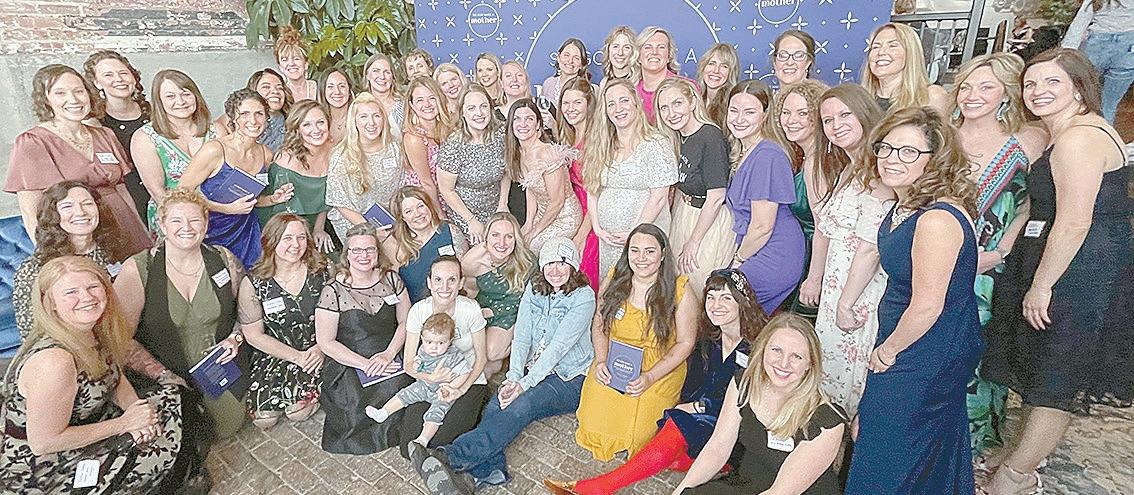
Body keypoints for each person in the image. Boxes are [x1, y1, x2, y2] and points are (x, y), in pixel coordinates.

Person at [981, 48, 1131, 495]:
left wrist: (1042, 285)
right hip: (1060, 262)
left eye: (1052, 82)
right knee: (1041, 369)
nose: (1038, 91)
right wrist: (1005, 249)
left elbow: (1074, 221)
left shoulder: (1078, 138)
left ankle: (1016, 477)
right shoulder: (1060, 133)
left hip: (1079, 274)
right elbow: (1039, 204)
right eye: (1030, 83)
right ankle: (1018, 454)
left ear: (1080, 88)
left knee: (1056, 378)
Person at [845, 106, 982, 494]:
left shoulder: (936, 218)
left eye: (908, 151)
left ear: (934, 159)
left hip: (926, 346)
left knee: (887, 449)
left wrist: (888, 351)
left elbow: (927, 305)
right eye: (886, 148)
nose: (891, 159)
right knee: (910, 446)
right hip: (911, 337)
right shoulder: (906, 204)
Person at [547, 268, 768, 495]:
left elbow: (751, 402)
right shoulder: (713, 337)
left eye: (726, 298)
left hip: (736, 426)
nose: (716, 305)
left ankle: (597, 488)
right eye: (711, 297)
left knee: (675, 431)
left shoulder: (757, 347)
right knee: (666, 453)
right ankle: (714, 465)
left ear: (742, 301)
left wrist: (697, 407)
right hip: (705, 414)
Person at [425, 237, 596, 491]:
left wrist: (524, 385)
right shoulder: (535, 289)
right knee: (499, 402)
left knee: (523, 404)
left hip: (569, 377)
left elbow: (558, 348)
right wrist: (514, 377)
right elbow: (522, 336)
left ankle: (451, 456)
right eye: (549, 264)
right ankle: (488, 471)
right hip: (533, 368)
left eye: (562, 263)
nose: (555, 270)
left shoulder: (583, 297)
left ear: (573, 266)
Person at [0, 256, 180, 492]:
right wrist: (124, 424)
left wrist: (136, 410)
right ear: (50, 302)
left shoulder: (92, 328)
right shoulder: (55, 362)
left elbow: (113, 377)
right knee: (154, 452)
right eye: (71, 292)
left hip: (93, 419)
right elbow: (43, 443)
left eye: (93, 286)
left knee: (169, 404)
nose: (86, 297)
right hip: (48, 466)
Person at [114, 190, 247, 491]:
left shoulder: (223, 259)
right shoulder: (139, 268)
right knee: (183, 439)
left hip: (217, 369)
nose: (186, 227)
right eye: (176, 220)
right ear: (162, 224)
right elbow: (120, 339)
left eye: (194, 220)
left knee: (228, 426)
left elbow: (246, 313)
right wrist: (161, 374)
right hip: (164, 373)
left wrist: (235, 337)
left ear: (206, 223)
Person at [949, 53, 1046, 455]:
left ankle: (970, 447)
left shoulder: (1026, 142)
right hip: (936, 261)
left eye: (986, 87)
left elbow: (1027, 206)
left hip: (987, 270)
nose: (972, 95)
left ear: (1006, 94)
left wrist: (1002, 250)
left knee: (977, 353)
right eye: (967, 86)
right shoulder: (942, 136)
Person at [672, 314, 847, 494]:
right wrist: (681, 490)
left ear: (810, 364)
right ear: (763, 349)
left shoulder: (827, 422)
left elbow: (781, 492)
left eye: (796, 356)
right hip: (748, 484)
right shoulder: (744, 384)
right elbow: (717, 448)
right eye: (776, 350)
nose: (784, 363)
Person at [798, 84, 889, 416]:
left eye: (845, 115)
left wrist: (846, 303)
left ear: (864, 113)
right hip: (838, 289)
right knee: (831, 379)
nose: (836, 126)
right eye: (828, 120)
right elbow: (827, 229)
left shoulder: (880, 168)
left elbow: (871, 247)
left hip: (860, 293)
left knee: (853, 383)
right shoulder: (850, 167)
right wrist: (818, 280)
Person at [575, 224, 698, 461]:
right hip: (615, 359)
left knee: (639, 434)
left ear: (663, 254)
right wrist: (601, 361)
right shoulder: (615, 278)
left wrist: (650, 377)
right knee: (593, 424)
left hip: (659, 367)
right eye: (635, 250)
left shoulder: (680, 291)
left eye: (650, 251)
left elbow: (685, 342)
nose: (641, 258)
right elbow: (599, 322)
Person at [5, 64, 151, 261]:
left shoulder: (105, 135)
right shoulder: (33, 142)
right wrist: (49, 256)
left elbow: (123, 191)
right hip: (77, 235)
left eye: (79, 91)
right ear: (46, 100)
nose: (73, 99)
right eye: (60, 93)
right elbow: (30, 210)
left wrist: (143, 234)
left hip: (125, 230)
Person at [315, 222, 413, 454]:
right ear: (347, 254)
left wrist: (389, 354)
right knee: (356, 400)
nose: (364, 255)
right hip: (350, 358)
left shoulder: (391, 279)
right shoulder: (333, 291)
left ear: (377, 252)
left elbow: (406, 321)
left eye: (370, 249)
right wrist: (365, 364)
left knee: (403, 383)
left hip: (391, 348)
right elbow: (326, 342)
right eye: (357, 250)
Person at [180, 89, 292, 270]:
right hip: (211, 231)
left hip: (247, 232)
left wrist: (273, 199)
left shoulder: (265, 154)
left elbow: (251, 200)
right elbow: (181, 193)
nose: (253, 121)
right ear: (233, 118)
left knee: (252, 277)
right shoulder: (215, 150)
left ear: (266, 118)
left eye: (259, 114)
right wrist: (226, 209)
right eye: (244, 114)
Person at [393, 256, 489, 464]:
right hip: (429, 383)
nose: (444, 287)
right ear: (429, 282)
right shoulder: (419, 311)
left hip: (468, 380)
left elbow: (481, 359)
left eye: (451, 280)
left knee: (440, 441)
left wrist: (460, 389)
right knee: (407, 446)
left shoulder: (470, 309)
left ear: (460, 283)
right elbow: (408, 364)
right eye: (438, 280)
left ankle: (439, 468)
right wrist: (430, 377)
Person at [239, 213, 329, 429]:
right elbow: (253, 335)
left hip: (317, 349)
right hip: (277, 351)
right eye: (287, 238)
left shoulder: (322, 271)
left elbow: (341, 315)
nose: (295, 245)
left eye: (301, 237)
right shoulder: (254, 283)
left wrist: (322, 348)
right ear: (271, 241)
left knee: (298, 411)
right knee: (263, 419)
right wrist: (296, 357)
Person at [724, 79, 806, 313]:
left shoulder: (768, 155)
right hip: (757, 248)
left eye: (749, 112)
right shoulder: (745, 150)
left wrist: (737, 261)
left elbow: (762, 226)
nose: (739, 119)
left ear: (765, 115)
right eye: (734, 110)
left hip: (774, 252)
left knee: (727, 303)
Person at [584, 79, 679, 276]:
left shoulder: (656, 144)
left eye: (624, 100)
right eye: (611, 104)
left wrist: (635, 233)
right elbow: (592, 189)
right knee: (612, 286)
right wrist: (598, 228)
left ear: (636, 103)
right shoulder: (601, 145)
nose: (618, 108)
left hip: (644, 242)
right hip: (608, 240)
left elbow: (659, 197)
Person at [655, 78, 734, 294]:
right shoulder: (677, 137)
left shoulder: (710, 136)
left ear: (691, 102)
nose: (671, 113)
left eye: (677, 103)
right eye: (664, 108)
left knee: (698, 285)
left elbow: (716, 197)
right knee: (677, 286)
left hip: (707, 220)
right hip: (685, 213)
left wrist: (694, 241)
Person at [12, 182, 120, 339]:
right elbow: (30, 330)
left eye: (87, 204)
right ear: (53, 215)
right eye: (67, 206)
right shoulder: (35, 268)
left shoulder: (115, 252)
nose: (80, 212)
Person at [768, 80, 830, 318]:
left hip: (815, 261)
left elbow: (823, 227)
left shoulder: (817, 163)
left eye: (803, 113)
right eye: (786, 112)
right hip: (802, 255)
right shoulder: (806, 155)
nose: (791, 120)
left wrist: (814, 278)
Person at [365, 313, 471, 450]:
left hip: (442, 392)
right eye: (429, 342)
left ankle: (423, 439)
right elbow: (418, 363)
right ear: (422, 339)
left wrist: (451, 387)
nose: (434, 347)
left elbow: (465, 372)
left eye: (441, 343)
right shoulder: (423, 350)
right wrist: (416, 365)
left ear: (450, 341)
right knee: (405, 394)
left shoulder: (453, 356)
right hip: (424, 385)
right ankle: (383, 412)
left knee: (436, 413)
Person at [131, 69, 216, 232]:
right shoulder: (145, 137)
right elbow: (157, 192)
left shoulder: (216, 131)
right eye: (170, 96)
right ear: (159, 101)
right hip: (175, 221)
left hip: (221, 216)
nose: (180, 101)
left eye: (186, 94)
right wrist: (189, 222)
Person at [460, 212, 533, 377]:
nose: (502, 242)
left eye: (509, 237)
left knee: (491, 352)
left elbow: (526, 301)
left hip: (511, 312)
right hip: (483, 308)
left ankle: (510, 351)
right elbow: (466, 288)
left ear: (516, 240)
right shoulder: (473, 261)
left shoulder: (527, 262)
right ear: (486, 237)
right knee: (472, 355)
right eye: (495, 235)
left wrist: (492, 312)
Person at [325, 92, 404, 240]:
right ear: (354, 121)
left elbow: (400, 188)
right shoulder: (342, 156)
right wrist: (371, 230)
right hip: (354, 222)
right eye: (363, 116)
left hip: (389, 218)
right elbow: (341, 204)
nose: (371, 122)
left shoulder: (395, 148)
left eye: (376, 116)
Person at [506, 98, 583, 251]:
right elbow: (530, 188)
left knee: (532, 246)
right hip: (543, 213)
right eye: (517, 119)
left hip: (565, 216)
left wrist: (535, 231)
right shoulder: (519, 153)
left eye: (529, 119)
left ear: (538, 125)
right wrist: (529, 223)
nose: (523, 124)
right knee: (518, 241)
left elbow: (557, 202)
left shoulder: (547, 154)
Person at [83, 50, 151, 220]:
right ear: (97, 83)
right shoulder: (94, 124)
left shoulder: (153, 112)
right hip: (125, 199)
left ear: (133, 78)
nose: (119, 79)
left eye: (123, 73)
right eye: (108, 75)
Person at [437, 84, 508, 245]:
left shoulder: (501, 134)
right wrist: (471, 221)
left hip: (496, 211)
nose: (479, 113)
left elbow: (506, 172)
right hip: (465, 216)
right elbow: (446, 190)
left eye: (483, 106)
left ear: (490, 108)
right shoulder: (453, 146)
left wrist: (503, 204)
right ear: (462, 112)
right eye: (471, 108)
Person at [264, 100, 336, 252]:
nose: (316, 130)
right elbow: (281, 212)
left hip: (319, 223)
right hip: (284, 228)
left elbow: (327, 198)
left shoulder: (333, 151)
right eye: (307, 125)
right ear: (297, 129)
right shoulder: (287, 160)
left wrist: (319, 229)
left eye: (320, 122)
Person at [386, 186, 466, 303]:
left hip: (453, 302)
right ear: (402, 217)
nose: (417, 214)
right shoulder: (395, 244)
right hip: (417, 308)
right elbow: (394, 288)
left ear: (429, 206)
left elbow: (465, 272)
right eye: (409, 211)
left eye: (420, 206)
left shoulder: (451, 231)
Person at [557, 76, 601, 290]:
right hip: (570, 212)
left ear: (588, 104)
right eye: (566, 103)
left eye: (577, 102)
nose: (570, 108)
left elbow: (597, 193)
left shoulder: (594, 140)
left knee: (584, 269)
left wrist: (582, 235)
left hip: (591, 216)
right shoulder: (567, 137)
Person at [1062, 0, 1134, 123]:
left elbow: (1081, 20)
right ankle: (1103, 133)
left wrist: (1066, 52)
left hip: (1097, 45)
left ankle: (1073, 129)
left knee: (1078, 96)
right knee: (1109, 105)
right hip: (1129, 48)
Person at [861, 23, 951, 113]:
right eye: (876, 47)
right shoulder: (860, 100)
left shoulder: (931, 96)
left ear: (911, 52)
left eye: (892, 45)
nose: (881, 52)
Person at [402, 76, 453, 208]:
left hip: (451, 197)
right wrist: (439, 214)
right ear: (412, 105)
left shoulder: (448, 128)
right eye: (420, 100)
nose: (427, 104)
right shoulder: (414, 138)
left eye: (432, 98)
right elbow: (427, 183)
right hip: (428, 202)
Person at [216, 69, 293, 153]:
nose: (275, 91)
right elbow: (219, 125)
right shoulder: (239, 115)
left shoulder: (288, 119)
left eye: (279, 88)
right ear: (253, 92)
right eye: (266, 87)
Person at [636, 26, 683, 124]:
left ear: (669, 56)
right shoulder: (631, 92)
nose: (654, 52)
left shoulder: (686, 87)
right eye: (648, 47)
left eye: (661, 47)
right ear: (638, 56)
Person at [696, 43, 739, 129]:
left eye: (724, 66)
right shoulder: (695, 99)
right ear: (703, 67)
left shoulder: (732, 104)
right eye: (712, 63)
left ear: (731, 73)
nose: (716, 70)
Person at [364, 53, 406, 133]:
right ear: (367, 75)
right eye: (376, 71)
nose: (382, 77)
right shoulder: (359, 104)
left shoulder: (404, 105)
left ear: (393, 77)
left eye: (387, 72)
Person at [541, 38, 590, 103]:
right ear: (558, 58)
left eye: (576, 58)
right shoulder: (548, 84)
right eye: (566, 55)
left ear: (581, 64)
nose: (570, 61)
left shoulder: (587, 89)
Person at [275, 27, 317, 102]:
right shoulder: (279, 93)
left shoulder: (319, 88)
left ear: (306, 63)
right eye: (285, 60)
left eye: (296, 58)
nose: (291, 63)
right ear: (280, 67)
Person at [318, 67, 353, 145]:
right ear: (323, 91)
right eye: (330, 87)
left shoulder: (358, 117)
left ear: (349, 90)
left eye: (342, 86)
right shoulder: (317, 122)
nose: (337, 92)